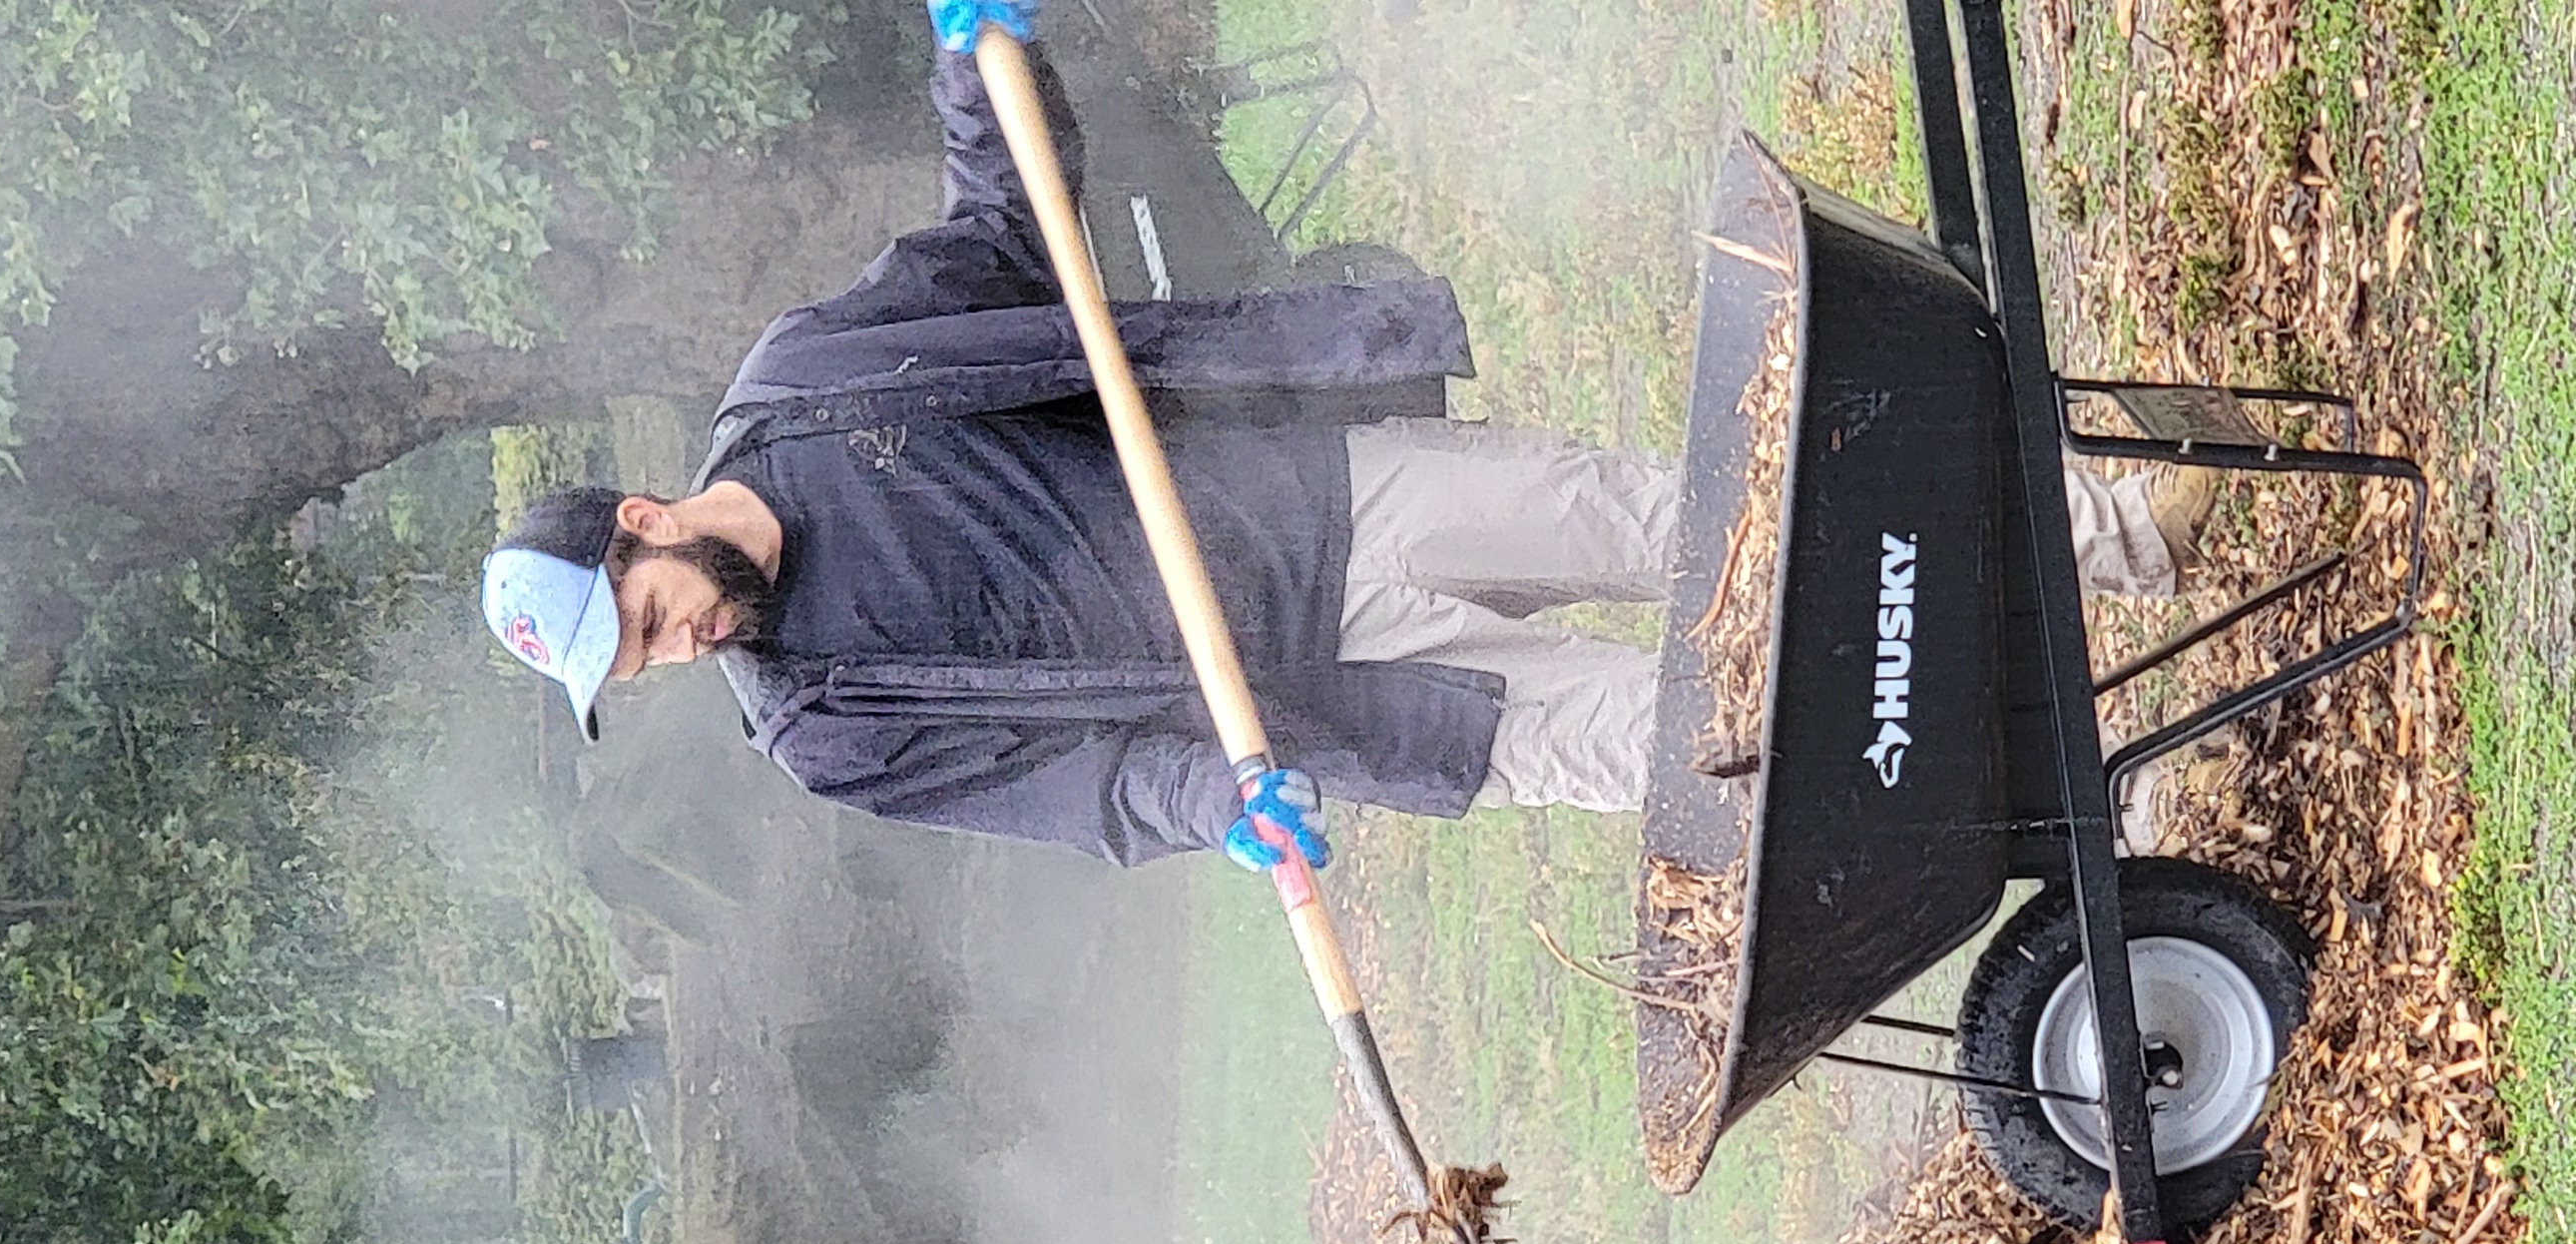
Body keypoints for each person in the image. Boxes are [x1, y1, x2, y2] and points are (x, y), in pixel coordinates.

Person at [478, 0, 2214, 871]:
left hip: (1337, 500)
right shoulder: (825, 730)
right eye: (637, 669)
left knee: (1720, 522)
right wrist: (1211, 806)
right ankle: (2056, 796)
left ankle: (2130, 537)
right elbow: (1072, 794)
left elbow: (1002, 237)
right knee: (1707, 746)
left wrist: (974, 65)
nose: (676, 650)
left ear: (642, 520)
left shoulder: (814, 384)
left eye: (642, 618)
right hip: (1339, 705)